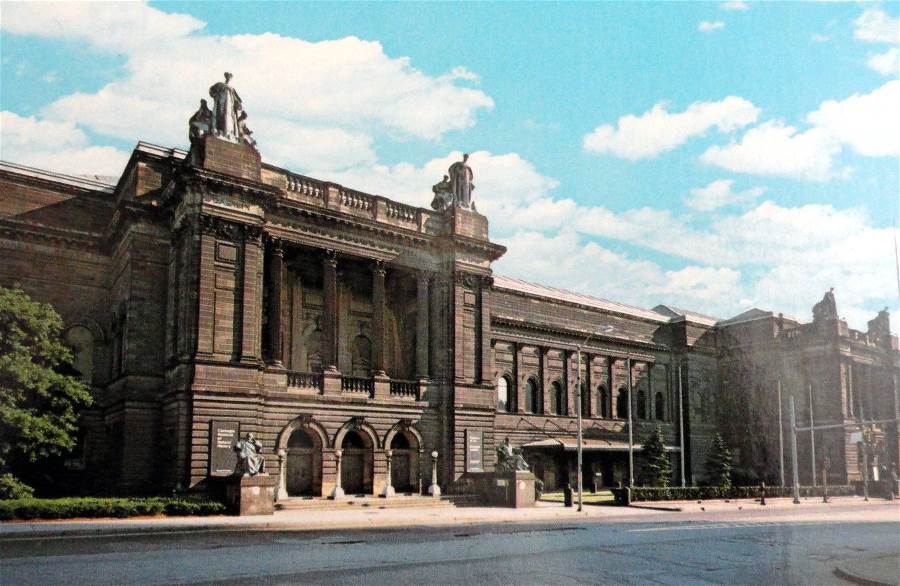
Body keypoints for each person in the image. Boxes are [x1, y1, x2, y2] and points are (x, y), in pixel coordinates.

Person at [209, 72, 243, 140]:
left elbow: (237, 100)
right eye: (227, 76)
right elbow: (211, 90)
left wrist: (238, 104)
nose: (228, 78)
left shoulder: (232, 88)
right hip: (220, 103)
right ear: (225, 77)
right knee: (220, 115)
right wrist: (215, 95)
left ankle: (227, 133)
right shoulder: (220, 85)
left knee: (228, 118)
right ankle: (219, 130)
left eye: (230, 77)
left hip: (229, 106)